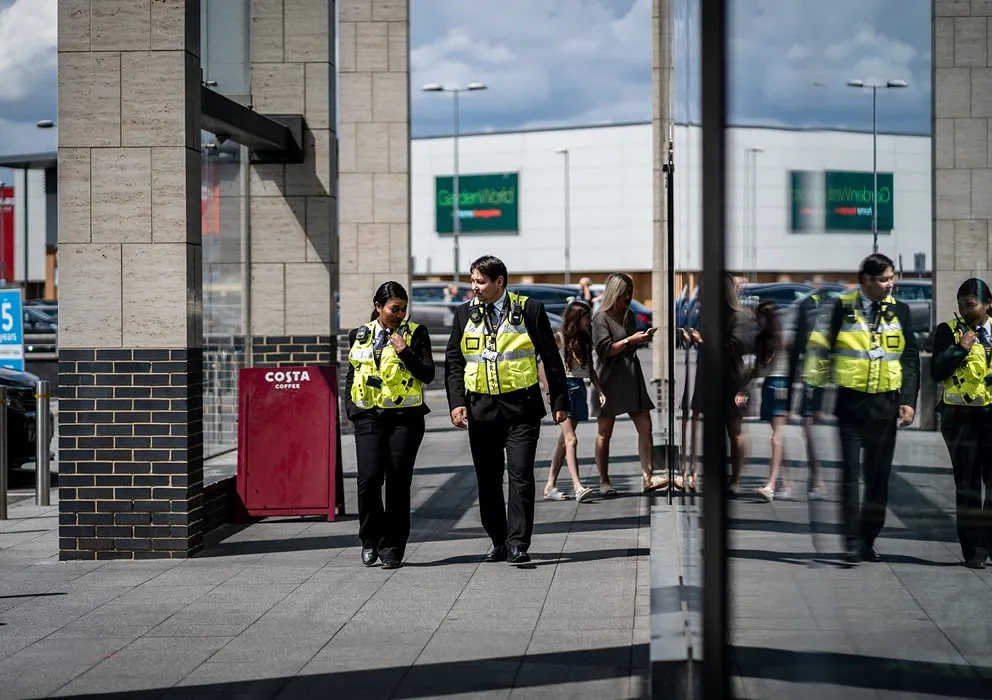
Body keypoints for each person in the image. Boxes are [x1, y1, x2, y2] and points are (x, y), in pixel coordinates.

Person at [445, 255, 569, 566]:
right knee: (488, 480)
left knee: (521, 476)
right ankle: (498, 540)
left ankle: (518, 543)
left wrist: (559, 402)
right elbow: (454, 363)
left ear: (500, 282)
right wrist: (457, 402)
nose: (474, 287)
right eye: (472, 280)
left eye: (480, 281)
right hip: (481, 409)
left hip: (522, 408)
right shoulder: (463, 314)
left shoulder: (529, 309)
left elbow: (551, 359)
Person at [805, 253, 920, 563]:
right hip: (850, 403)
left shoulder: (901, 311)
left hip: (885, 404)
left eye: (892, 278)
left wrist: (908, 400)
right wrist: (814, 400)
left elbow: (909, 358)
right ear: (866, 280)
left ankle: (869, 538)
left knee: (878, 477)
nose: (890, 284)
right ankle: (852, 541)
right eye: (884, 279)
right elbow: (819, 350)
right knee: (849, 476)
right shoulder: (843, 306)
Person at [345, 281, 435, 569]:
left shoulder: (416, 333)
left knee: (397, 483)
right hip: (368, 416)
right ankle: (370, 539)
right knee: (369, 479)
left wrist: (404, 351)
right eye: (394, 309)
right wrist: (352, 408)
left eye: (403, 309)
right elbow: (352, 374)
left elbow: (428, 374)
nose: (400, 315)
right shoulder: (359, 335)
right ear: (378, 307)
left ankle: (392, 548)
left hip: (404, 419)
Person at [931, 278, 992, 569]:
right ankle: (974, 550)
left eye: (971, 305)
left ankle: (988, 541)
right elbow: (937, 370)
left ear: (988, 305)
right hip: (961, 418)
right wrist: (959, 349)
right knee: (967, 486)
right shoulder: (949, 331)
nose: (965, 310)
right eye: (961, 305)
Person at [591, 272, 669, 496]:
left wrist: (642, 339)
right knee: (605, 431)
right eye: (624, 295)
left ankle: (648, 477)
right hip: (608, 378)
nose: (627, 299)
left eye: (630, 294)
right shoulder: (601, 318)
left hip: (631, 376)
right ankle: (604, 481)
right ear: (614, 293)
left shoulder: (629, 314)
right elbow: (604, 350)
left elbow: (631, 345)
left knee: (646, 426)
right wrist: (629, 340)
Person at [541, 301, 601, 503]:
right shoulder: (559, 338)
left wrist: (599, 389)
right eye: (586, 317)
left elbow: (590, 369)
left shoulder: (584, 340)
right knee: (571, 439)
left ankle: (550, 485)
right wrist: (549, 389)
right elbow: (541, 364)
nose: (589, 321)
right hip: (563, 390)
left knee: (563, 441)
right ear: (577, 319)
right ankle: (577, 486)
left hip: (578, 389)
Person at [785, 289, 833, 501]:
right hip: (813, 382)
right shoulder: (816, 326)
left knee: (809, 433)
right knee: (808, 433)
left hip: (814, 383)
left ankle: (818, 481)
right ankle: (815, 480)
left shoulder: (812, 329)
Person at [751, 301, 793, 502]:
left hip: (776, 385)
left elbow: (761, 366)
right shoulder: (779, 338)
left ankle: (772, 484)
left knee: (776, 438)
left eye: (759, 317)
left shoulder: (773, 340)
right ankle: (785, 482)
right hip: (774, 384)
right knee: (777, 438)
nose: (757, 321)